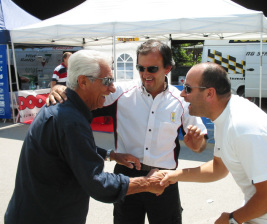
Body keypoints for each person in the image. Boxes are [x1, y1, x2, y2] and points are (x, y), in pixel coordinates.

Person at [47, 39, 208, 224]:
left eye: (152, 69)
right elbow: (82, 97)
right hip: (127, 177)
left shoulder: (181, 102)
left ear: (167, 69)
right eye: (141, 68)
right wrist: (62, 89)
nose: (145, 74)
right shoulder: (120, 93)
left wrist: (197, 144)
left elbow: (201, 143)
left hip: (164, 180)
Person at [4, 50, 168, 224]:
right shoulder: (70, 119)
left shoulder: (62, 108)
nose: (112, 88)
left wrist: (110, 155)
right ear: (82, 81)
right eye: (107, 81)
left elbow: (70, 149)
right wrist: (147, 183)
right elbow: (98, 184)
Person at [160, 62, 267, 224]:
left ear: (210, 93)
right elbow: (218, 168)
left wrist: (231, 220)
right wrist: (173, 176)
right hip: (266, 211)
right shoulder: (226, 113)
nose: (182, 94)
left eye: (188, 88)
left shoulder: (242, 127)